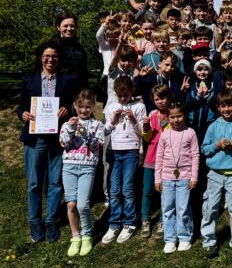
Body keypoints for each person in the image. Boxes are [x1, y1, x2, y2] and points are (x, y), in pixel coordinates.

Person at [17, 41, 79, 243]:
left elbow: (74, 106)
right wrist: (23, 114)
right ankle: (35, 221)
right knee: (34, 183)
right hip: (35, 138)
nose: (50, 59)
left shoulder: (67, 80)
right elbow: (21, 107)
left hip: (57, 138)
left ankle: (51, 221)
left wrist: (67, 110)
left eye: (54, 56)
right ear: (40, 58)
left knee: (55, 182)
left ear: (58, 59)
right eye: (47, 56)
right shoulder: (29, 79)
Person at [200, 91, 232, 259]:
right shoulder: (213, 126)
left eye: (230, 105)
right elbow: (204, 149)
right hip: (215, 174)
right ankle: (209, 241)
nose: (227, 109)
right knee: (210, 208)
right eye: (223, 106)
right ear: (218, 107)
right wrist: (216, 145)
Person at [102, 76, 147, 245]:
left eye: (126, 95)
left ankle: (129, 222)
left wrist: (134, 120)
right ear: (115, 93)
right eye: (120, 95)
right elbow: (105, 132)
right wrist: (113, 121)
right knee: (114, 190)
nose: (123, 98)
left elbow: (143, 131)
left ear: (132, 92)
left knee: (127, 189)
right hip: (114, 151)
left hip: (130, 151)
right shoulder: (110, 108)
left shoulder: (139, 107)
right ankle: (114, 224)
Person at [59, 90, 105, 256]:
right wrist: (71, 129)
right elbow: (64, 144)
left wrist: (86, 134)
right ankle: (75, 236)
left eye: (87, 107)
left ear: (93, 106)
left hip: (87, 167)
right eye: (81, 107)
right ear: (75, 106)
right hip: (69, 167)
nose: (84, 110)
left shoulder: (97, 125)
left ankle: (87, 235)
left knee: (83, 204)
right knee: (71, 204)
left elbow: (96, 146)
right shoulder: (67, 124)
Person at [155, 100, 200, 254]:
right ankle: (170, 239)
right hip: (166, 178)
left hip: (185, 178)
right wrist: (157, 179)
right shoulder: (164, 135)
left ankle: (184, 237)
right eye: (172, 117)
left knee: (182, 208)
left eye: (179, 116)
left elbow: (195, 155)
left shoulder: (190, 133)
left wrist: (194, 177)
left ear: (184, 115)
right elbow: (159, 157)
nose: (176, 120)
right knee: (167, 209)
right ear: (168, 118)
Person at [140, 85, 172, 239]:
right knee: (147, 190)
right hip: (151, 158)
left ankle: (162, 220)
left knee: (164, 192)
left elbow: (173, 136)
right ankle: (145, 219)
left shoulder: (174, 114)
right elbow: (148, 138)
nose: (160, 102)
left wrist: (166, 124)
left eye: (163, 98)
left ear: (169, 98)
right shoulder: (152, 114)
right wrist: (146, 128)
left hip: (167, 160)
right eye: (157, 99)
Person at [51, 11, 89, 88]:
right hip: (57, 88)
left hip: (78, 90)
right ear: (58, 27)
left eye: (72, 26)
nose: (69, 29)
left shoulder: (79, 48)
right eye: (65, 26)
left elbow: (84, 72)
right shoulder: (52, 47)